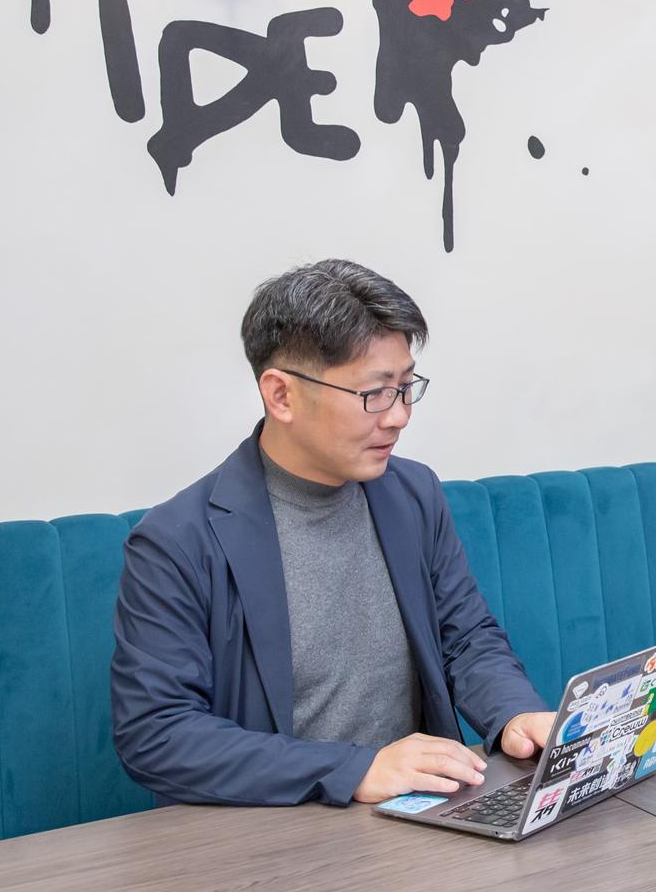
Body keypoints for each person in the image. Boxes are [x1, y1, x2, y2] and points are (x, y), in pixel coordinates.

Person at [111, 259, 560, 808]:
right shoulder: (177, 541)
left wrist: (514, 713)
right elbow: (157, 735)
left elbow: (465, 637)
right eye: (375, 393)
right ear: (281, 395)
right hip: (276, 828)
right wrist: (354, 770)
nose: (398, 417)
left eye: (406, 387)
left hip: (417, 814)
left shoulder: (413, 493)